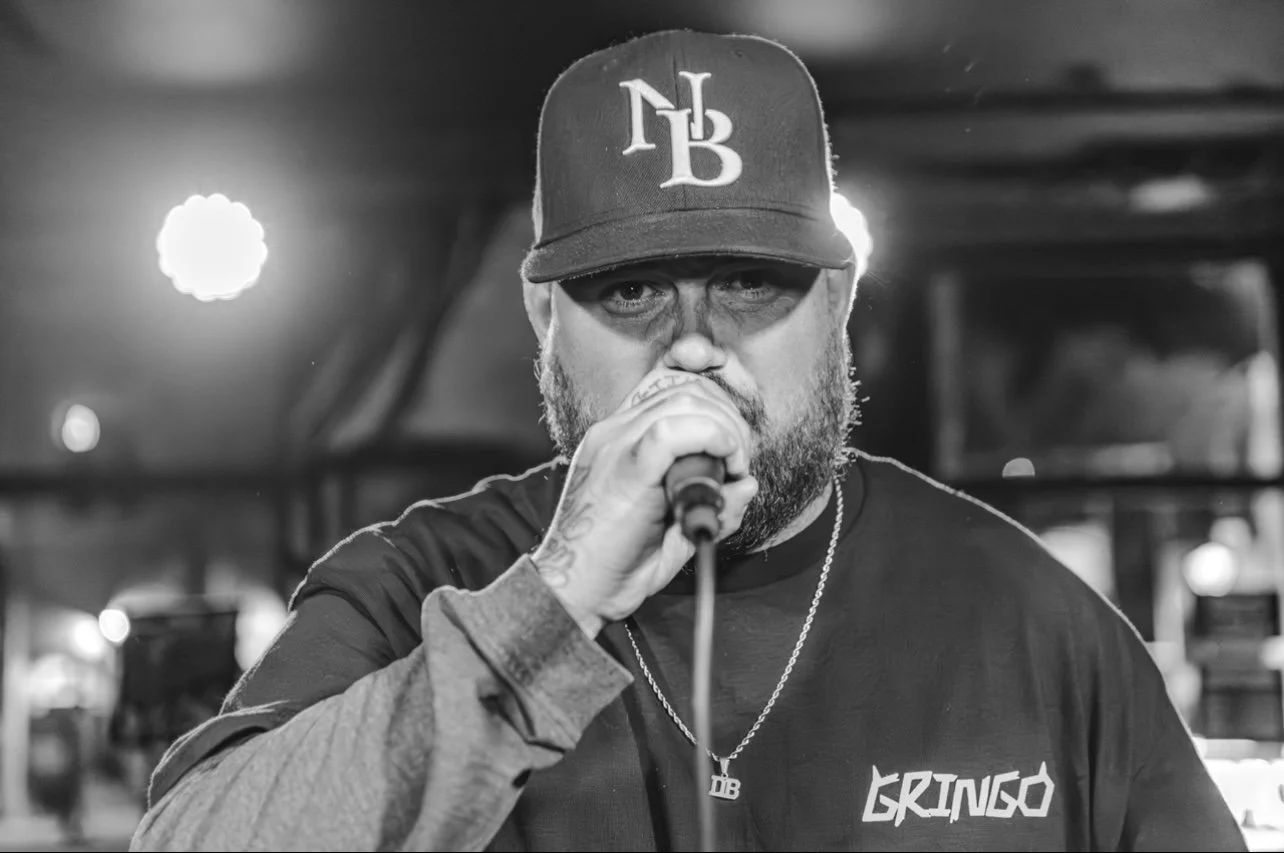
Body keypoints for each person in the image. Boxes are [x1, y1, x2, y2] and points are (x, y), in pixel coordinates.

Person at [130, 29, 1246, 852]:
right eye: (629, 293)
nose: (696, 347)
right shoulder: (417, 582)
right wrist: (551, 605)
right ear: (544, 323)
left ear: (839, 304)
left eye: (751, 284)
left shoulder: (1031, 617)